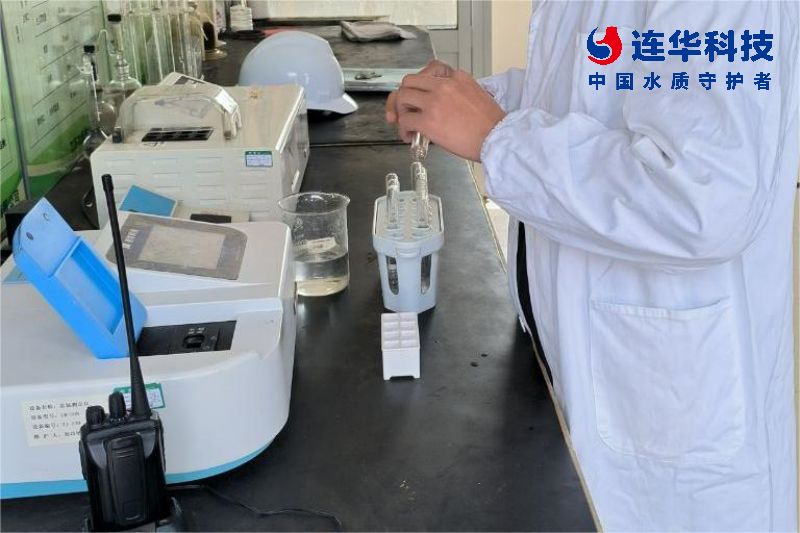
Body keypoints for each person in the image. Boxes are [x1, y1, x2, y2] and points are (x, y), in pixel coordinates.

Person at [386, 1, 799, 530]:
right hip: (581, 366)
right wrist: (478, 103)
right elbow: (605, 76)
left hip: (672, 417)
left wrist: (498, 136)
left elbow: (703, 196)